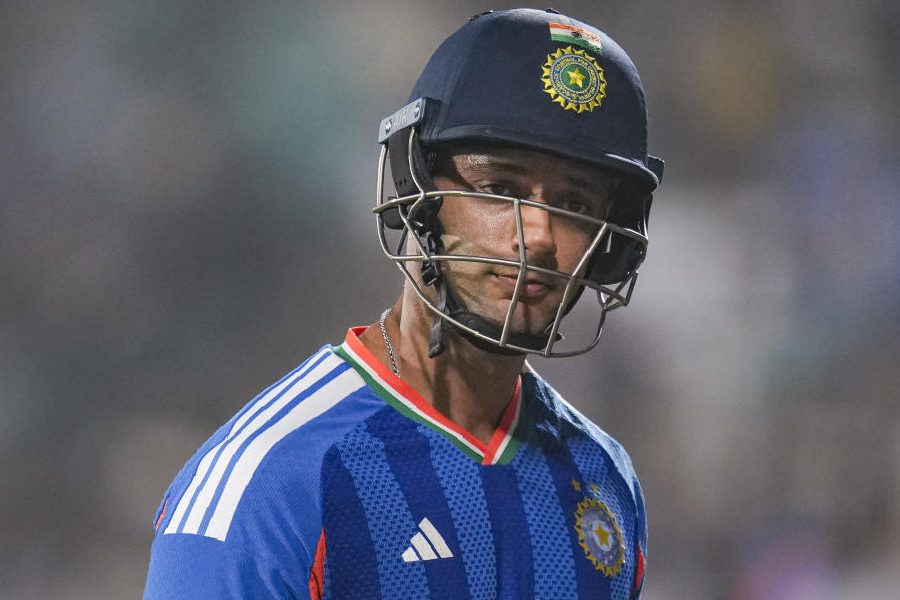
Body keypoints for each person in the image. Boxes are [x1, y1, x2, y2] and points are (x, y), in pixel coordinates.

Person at [144, 8, 663, 599]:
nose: (538, 235)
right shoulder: (270, 480)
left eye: (574, 203)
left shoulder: (605, 481)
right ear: (415, 189)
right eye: (498, 188)